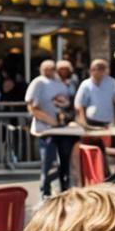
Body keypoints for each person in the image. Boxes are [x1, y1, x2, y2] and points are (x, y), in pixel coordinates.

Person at [25, 60, 76, 199]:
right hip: (45, 129)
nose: (50, 70)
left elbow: (66, 104)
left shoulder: (61, 84)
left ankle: (64, 190)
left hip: (61, 129)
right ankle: (45, 192)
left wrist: (62, 114)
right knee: (48, 161)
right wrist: (50, 120)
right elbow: (31, 107)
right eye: (46, 68)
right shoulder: (38, 82)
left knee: (64, 161)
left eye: (52, 68)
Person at [74, 59, 115, 128]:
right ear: (91, 70)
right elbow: (79, 105)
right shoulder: (85, 84)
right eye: (96, 69)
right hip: (91, 121)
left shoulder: (112, 82)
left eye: (102, 69)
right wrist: (83, 122)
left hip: (108, 121)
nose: (99, 71)